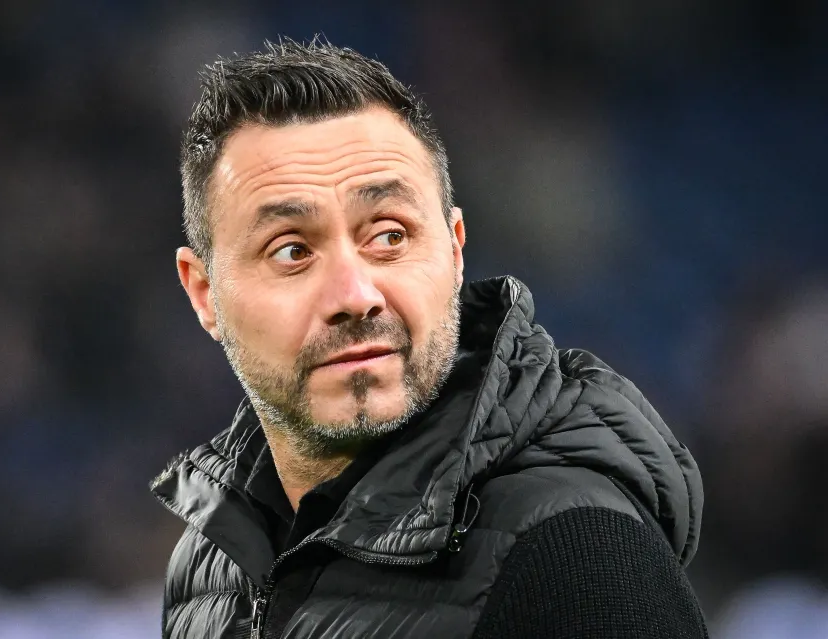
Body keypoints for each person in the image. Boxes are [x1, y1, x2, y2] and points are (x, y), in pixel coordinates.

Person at [151, 37, 708, 639]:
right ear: (204, 293)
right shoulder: (210, 566)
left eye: (390, 236)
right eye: (291, 250)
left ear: (455, 249)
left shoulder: (577, 560)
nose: (355, 294)